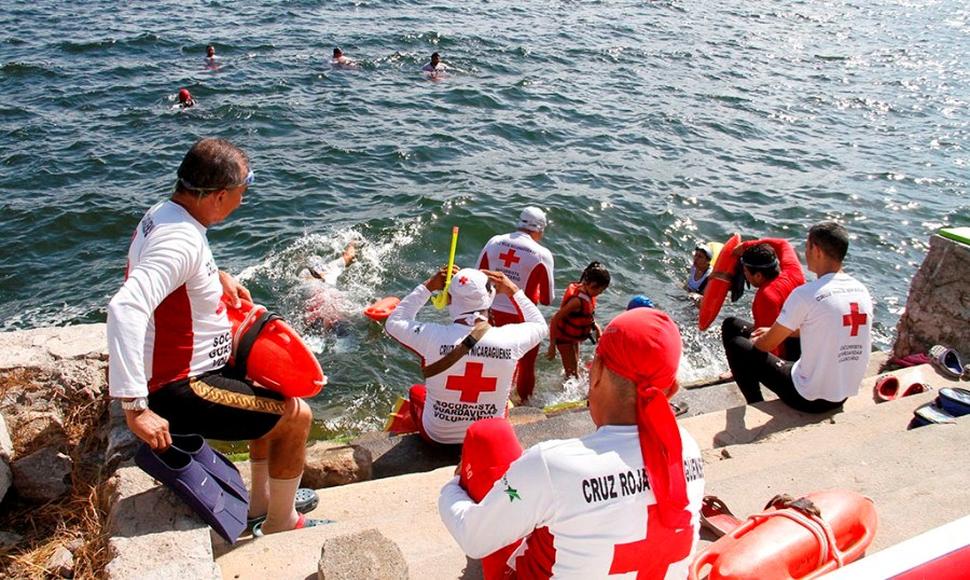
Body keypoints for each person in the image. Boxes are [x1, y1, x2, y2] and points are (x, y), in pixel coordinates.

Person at [106, 138, 325, 535]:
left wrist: (215, 278)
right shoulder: (180, 241)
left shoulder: (167, 214)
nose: (244, 200)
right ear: (221, 195)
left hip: (196, 366)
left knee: (264, 387)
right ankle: (282, 521)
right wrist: (135, 407)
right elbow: (125, 307)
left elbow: (175, 269)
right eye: (244, 190)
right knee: (297, 417)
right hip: (181, 385)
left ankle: (262, 504)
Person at [439, 307, 705, 579]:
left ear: (597, 371)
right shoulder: (686, 448)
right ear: (671, 390)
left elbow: (473, 538)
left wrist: (451, 488)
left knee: (490, 435)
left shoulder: (553, 464)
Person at [384, 267, 547, 445]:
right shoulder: (510, 339)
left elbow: (395, 321)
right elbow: (539, 324)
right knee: (503, 401)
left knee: (417, 392)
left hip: (437, 437)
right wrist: (513, 291)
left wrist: (429, 286)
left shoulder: (432, 336)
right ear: (491, 296)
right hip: (487, 436)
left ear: (449, 299)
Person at [721, 221, 873, 413]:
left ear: (816, 250)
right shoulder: (861, 291)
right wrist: (782, 332)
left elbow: (764, 346)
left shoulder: (807, 294)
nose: (805, 252)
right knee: (751, 332)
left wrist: (759, 338)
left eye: (807, 246)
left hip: (808, 398)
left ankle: (755, 403)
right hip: (842, 394)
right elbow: (827, 326)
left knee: (738, 344)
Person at [477, 207, 554, 402]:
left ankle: (486, 397)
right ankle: (524, 403)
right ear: (540, 230)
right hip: (521, 317)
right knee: (526, 364)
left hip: (489, 313)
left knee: (488, 358)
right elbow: (547, 299)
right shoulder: (542, 254)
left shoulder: (494, 242)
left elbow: (476, 278)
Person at [731, 236, 806, 360]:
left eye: (745, 271)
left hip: (788, 359)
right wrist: (746, 245)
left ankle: (740, 376)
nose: (745, 275)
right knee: (733, 324)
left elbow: (770, 349)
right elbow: (782, 243)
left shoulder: (765, 297)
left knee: (734, 337)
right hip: (804, 346)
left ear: (758, 275)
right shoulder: (794, 271)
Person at [547, 262, 611, 380]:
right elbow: (555, 319)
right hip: (564, 340)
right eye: (599, 291)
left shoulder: (587, 294)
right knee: (572, 375)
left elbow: (587, 316)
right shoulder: (576, 301)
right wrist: (552, 345)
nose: (599, 294)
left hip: (573, 339)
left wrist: (596, 328)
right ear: (592, 285)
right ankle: (567, 396)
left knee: (575, 369)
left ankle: (568, 387)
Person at [298, 241, 359, 330]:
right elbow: (349, 256)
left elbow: (349, 257)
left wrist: (352, 244)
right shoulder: (330, 270)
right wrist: (352, 244)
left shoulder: (330, 270)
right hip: (330, 306)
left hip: (327, 307)